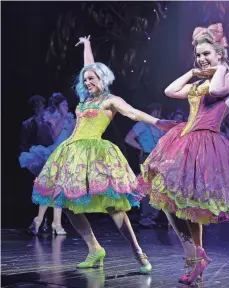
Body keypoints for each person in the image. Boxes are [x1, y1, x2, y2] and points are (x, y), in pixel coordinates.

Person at [31, 35, 176, 273]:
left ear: (102, 78)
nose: (87, 81)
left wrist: (159, 122)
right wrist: (87, 45)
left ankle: (138, 251)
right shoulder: (85, 100)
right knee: (65, 202)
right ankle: (94, 248)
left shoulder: (110, 100)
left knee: (113, 205)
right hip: (71, 153)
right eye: (84, 79)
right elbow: (89, 66)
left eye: (91, 78)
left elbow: (133, 114)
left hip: (96, 153)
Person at [137, 23, 229, 284]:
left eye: (207, 53)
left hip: (206, 143)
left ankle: (195, 257)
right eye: (198, 54)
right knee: (170, 198)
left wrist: (218, 68)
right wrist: (193, 71)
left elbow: (217, 91)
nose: (202, 58)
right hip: (184, 139)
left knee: (189, 204)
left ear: (220, 54)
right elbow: (170, 91)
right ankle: (194, 254)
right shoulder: (198, 82)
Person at [20, 93, 75, 235]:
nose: (67, 107)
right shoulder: (51, 117)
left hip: (66, 155)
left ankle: (46, 221)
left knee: (58, 188)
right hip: (54, 155)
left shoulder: (70, 118)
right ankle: (50, 222)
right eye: (64, 105)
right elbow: (55, 134)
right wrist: (63, 116)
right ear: (57, 106)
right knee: (51, 188)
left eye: (67, 105)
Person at [125, 103, 165, 228]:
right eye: (154, 112)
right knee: (148, 188)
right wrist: (140, 148)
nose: (156, 114)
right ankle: (145, 217)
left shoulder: (159, 127)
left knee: (159, 187)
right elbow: (128, 138)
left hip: (159, 158)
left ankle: (152, 217)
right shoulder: (142, 124)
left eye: (158, 112)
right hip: (147, 156)